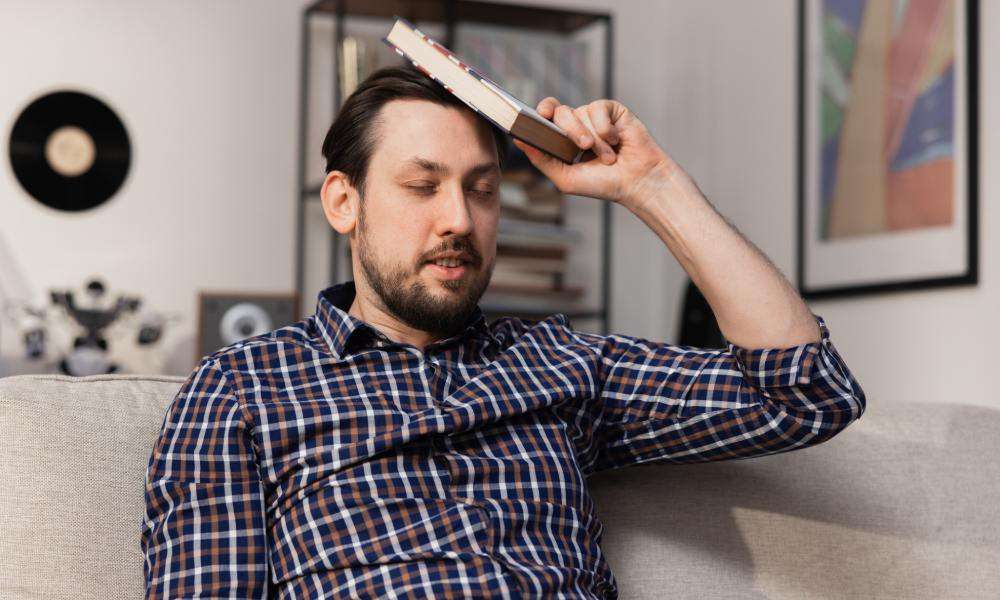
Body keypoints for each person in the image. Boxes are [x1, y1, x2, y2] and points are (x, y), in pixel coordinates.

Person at [141, 65, 866, 599]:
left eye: (481, 190)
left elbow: (805, 395)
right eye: (422, 187)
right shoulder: (243, 389)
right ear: (343, 202)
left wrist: (652, 185)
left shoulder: (560, 360)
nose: (458, 219)